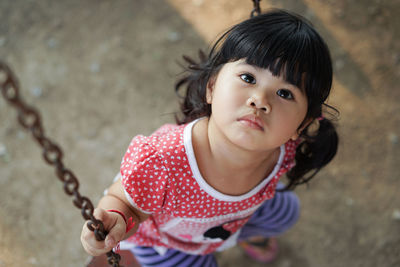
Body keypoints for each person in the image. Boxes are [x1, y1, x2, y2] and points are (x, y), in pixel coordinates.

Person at [81, 9, 338, 266]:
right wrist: (114, 218)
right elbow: (124, 202)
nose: (260, 100)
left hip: (232, 219)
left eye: (284, 93)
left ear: (300, 125)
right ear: (212, 86)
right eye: (248, 78)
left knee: (286, 212)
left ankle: (237, 237)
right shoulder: (164, 159)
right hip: (168, 243)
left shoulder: (283, 150)